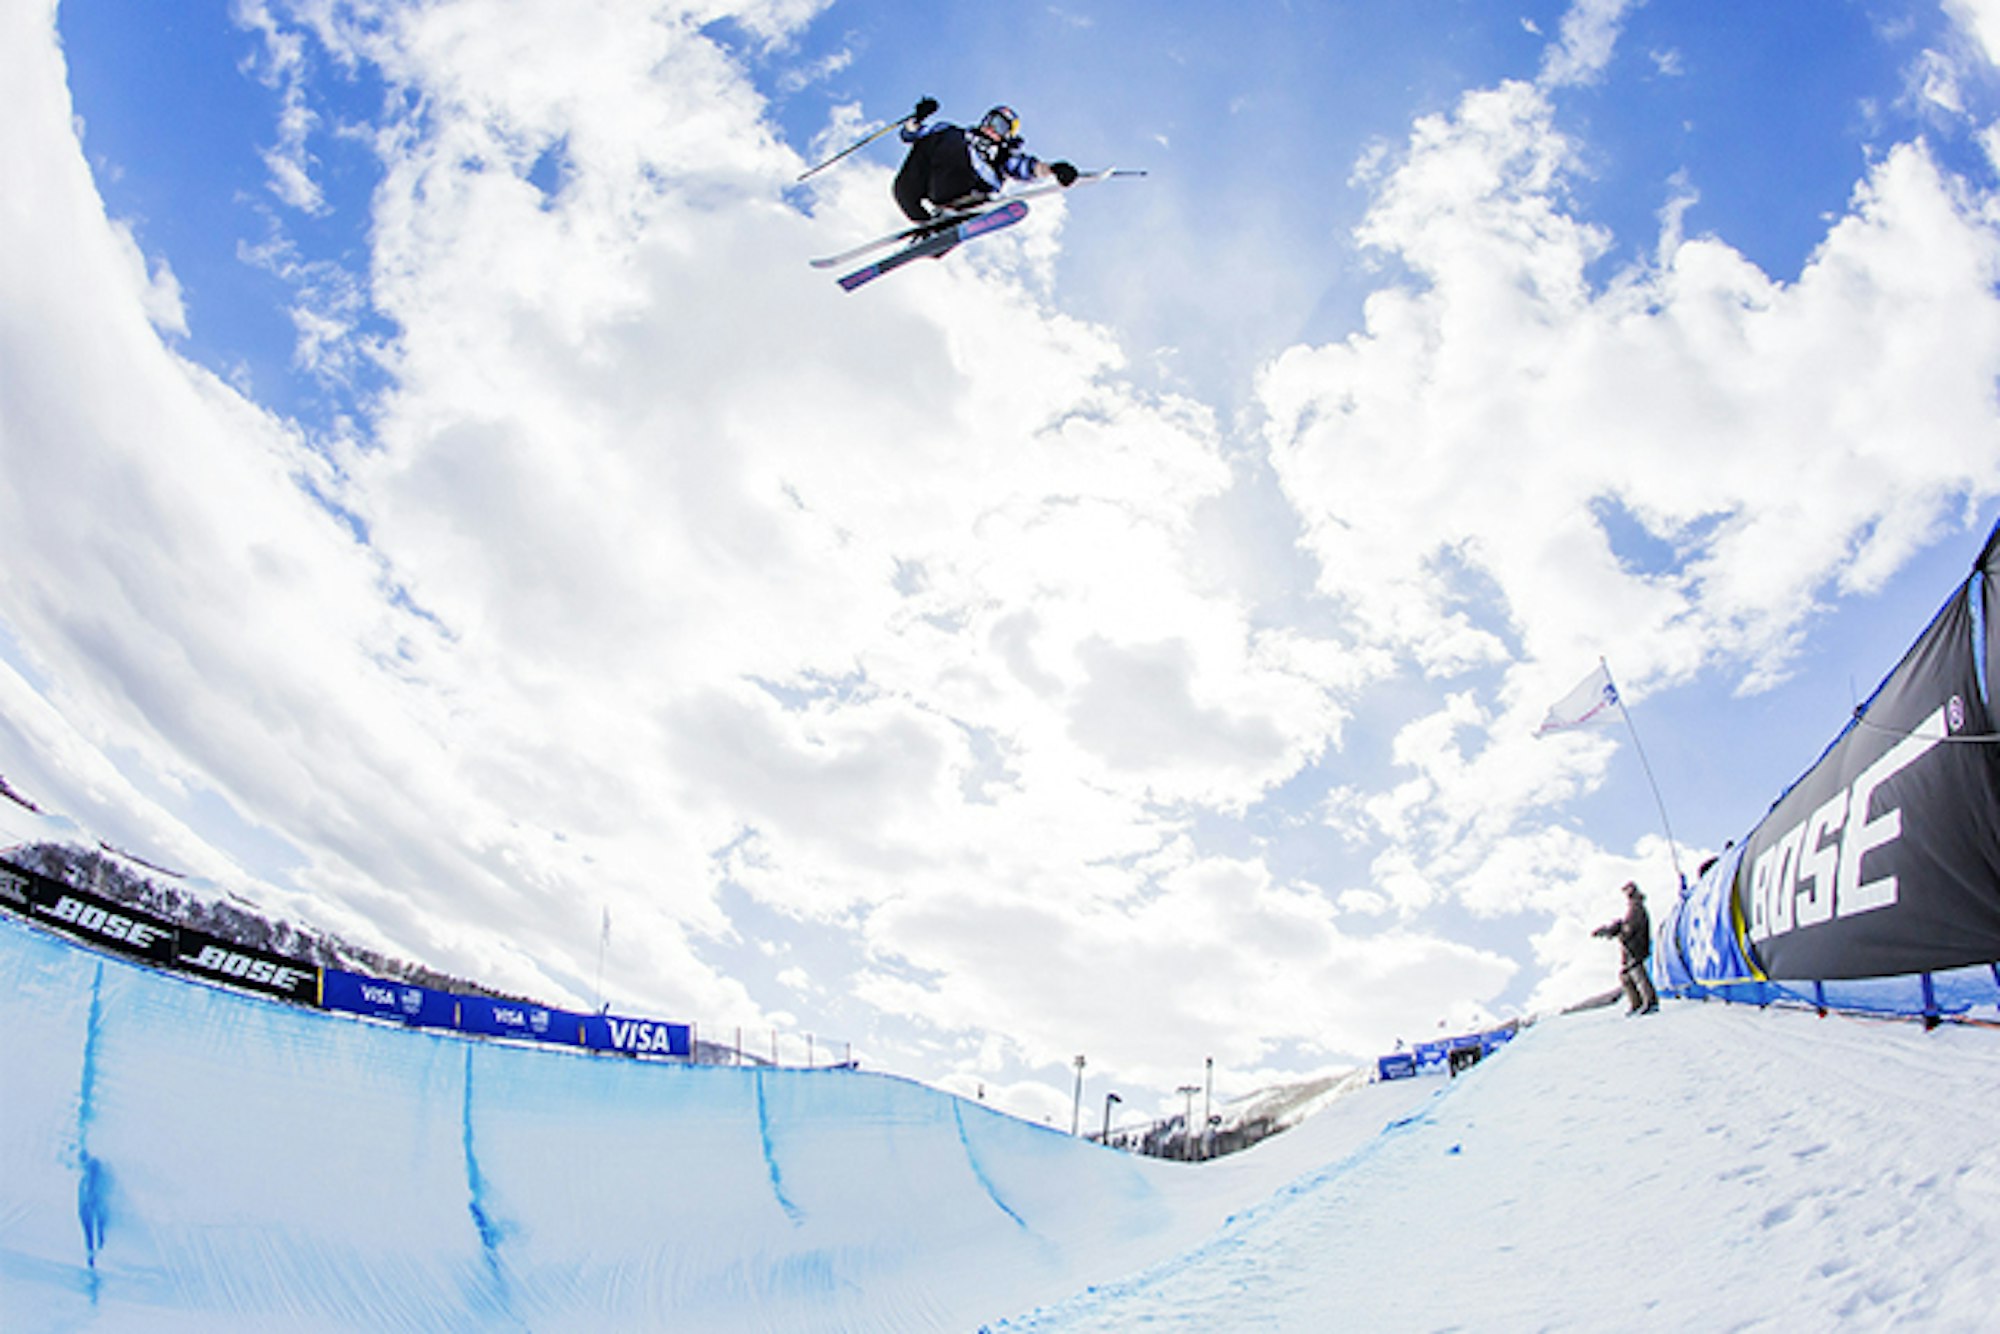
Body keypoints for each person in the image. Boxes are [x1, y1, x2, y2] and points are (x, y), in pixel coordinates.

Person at [893, 97, 1079, 223]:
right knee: (944, 133)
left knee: (953, 139)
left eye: (1001, 127)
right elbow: (912, 136)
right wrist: (916, 119)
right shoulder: (955, 134)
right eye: (991, 121)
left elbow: (1025, 167)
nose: (992, 128)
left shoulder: (1002, 153)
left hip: (970, 189)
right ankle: (927, 225)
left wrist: (1053, 169)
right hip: (935, 186)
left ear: (1007, 135)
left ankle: (958, 209)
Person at [1592, 881, 1660, 1015]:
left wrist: (1616, 930)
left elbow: (1630, 928)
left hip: (1636, 947)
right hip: (1631, 948)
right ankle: (1637, 1003)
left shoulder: (1636, 907)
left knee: (1638, 975)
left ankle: (1651, 1002)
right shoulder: (1633, 907)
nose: (1626, 894)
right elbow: (1625, 926)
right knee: (1626, 976)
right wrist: (1611, 930)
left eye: (1628, 891)